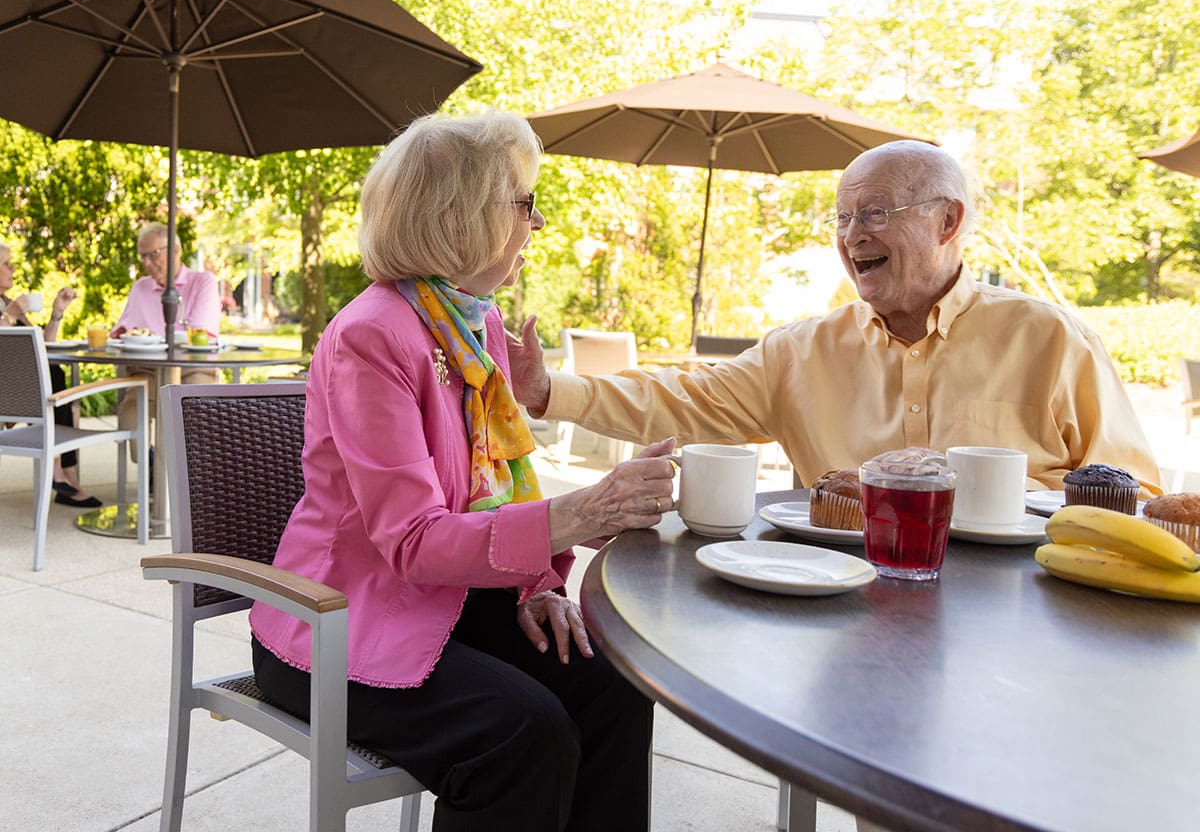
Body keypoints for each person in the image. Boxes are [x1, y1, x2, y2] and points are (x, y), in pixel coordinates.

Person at [249, 111, 675, 832]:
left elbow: (495, 486)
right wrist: (584, 513)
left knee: (613, 682)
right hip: (337, 627)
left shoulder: (475, 326)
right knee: (521, 734)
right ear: (460, 215)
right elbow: (414, 541)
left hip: (446, 607)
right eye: (524, 201)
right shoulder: (370, 335)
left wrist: (538, 584)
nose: (537, 223)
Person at [506, 139, 1162, 497]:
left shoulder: (1048, 339)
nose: (852, 236)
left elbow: (1131, 494)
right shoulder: (803, 352)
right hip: (848, 598)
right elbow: (683, 400)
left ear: (948, 221)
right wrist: (546, 391)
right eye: (842, 218)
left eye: (874, 213)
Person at [0, 240, 101, 507]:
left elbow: (39, 347)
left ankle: (66, 475)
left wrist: (57, 312)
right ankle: (59, 471)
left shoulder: (9, 302)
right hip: (9, 391)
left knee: (55, 376)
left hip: (23, 386)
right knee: (53, 378)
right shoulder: (9, 308)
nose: (12, 269)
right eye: (6, 264)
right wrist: (8, 316)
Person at [111, 222, 220, 454]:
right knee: (130, 416)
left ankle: (192, 476)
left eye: (153, 254)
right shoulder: (140, 287)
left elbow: (199, 336)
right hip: (148, 375)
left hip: (194, 371)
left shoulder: (203, 283)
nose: (147, 263)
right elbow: (122, 332)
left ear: (176, 251)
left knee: (197, 414)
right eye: (143, 257)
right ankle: (151, 469)